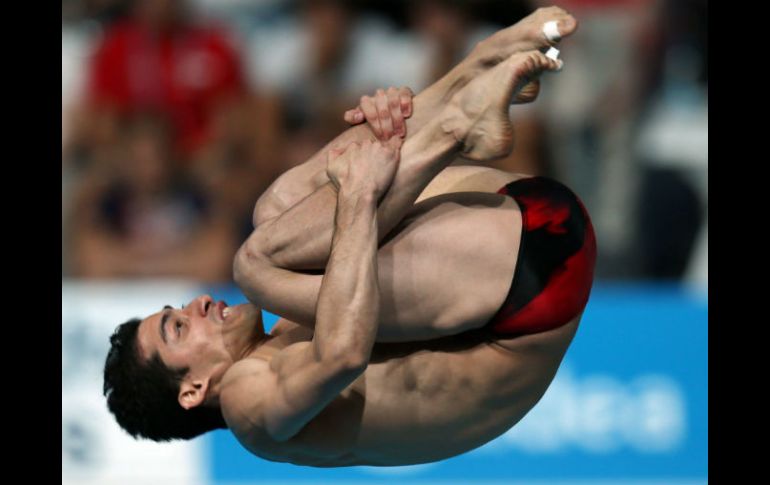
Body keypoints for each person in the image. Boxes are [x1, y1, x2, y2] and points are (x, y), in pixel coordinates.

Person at [103, 7, 596, 466]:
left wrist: (385, 133)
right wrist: (359, 194)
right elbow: (342, 355)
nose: (198, 305)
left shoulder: (284, 333)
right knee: (256, 264)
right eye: (179, 328)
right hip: (530, 286)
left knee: (276, 211)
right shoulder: (247, 406)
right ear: (192, 390)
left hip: (520, 232)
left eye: (179, 311)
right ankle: (456, 122)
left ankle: (471, 75)